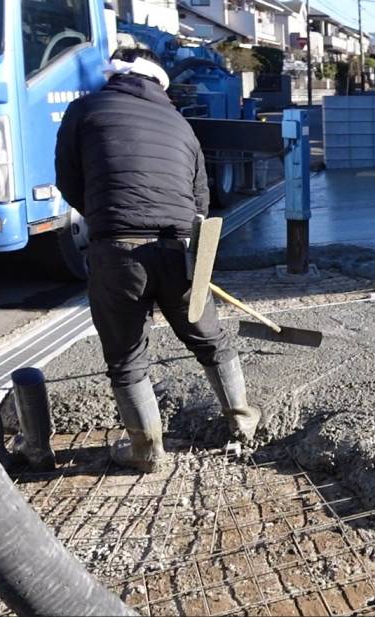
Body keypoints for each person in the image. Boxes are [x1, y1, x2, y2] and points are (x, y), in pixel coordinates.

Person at [55, 48, 262, 473]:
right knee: (209, 338)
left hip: (117, 250)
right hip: (181, 249)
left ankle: (147, 450)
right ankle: (242, 421)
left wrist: (107, 217)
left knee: (127, 356)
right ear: (159, 83)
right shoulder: (180, 123)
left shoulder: (85, 110)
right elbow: (201, 197)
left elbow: (69, 182)